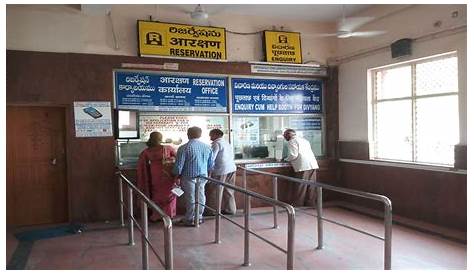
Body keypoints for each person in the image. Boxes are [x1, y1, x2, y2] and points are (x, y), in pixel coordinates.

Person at [173, 127, 213, 226]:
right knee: (201, 195)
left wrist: (175, 176)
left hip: (188, 176)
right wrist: (209, 175)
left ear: (188, 134)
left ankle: (190, 218)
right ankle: (199, 217)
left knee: (190, 197)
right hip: (203, 176)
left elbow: (179, 166)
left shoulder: (184, 148)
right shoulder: (207, 147)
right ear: (200, 135)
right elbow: (211, 164)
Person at [137, 131, 178, 221]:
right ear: (161, 138)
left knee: (156, 194)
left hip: (154, 174)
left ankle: (157, 215)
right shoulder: (168, 148)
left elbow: (141, 163)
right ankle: (168, 215)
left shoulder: (147, 151)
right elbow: (177, 159)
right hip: (167, 174)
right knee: (169, 194)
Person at [283, 128, 319, 207]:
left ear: (289, 135)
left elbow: (293, 155)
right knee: (311, 185)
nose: (285, 138)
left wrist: (285, 159)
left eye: (285, 135)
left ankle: (298, 204)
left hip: (303, 165)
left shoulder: (292, 141)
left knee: (301, 185)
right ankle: (311, 203)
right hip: (312, 164)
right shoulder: (304, 140)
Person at [206, 129, 237, 215]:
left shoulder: (216, 143)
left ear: (216, 135)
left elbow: (212, 159)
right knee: (229, 190)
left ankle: (213, 211)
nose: (210, 137)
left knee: (216, 191)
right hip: (231, 168)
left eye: (211, 135)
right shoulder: (226, 143)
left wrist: (209, 170)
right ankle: (231, 209)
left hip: (221, 170)